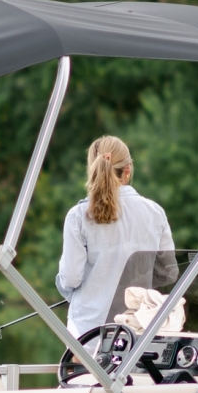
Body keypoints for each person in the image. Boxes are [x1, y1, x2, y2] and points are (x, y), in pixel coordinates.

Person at [57, 136, 174, 344]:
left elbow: (71, 278)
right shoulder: (155, 213)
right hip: (139, 332)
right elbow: (168, 273)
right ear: (128, 169)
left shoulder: (78, 216)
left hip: (88, 334)